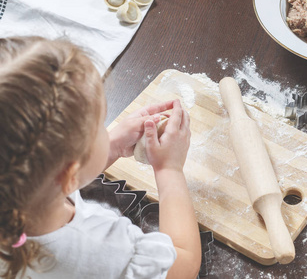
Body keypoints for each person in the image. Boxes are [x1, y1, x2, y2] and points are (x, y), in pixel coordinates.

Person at [0, 36, 201, 279]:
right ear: (70, 174)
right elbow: (185, 264)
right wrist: (169, 169)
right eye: (99, 126)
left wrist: (112, 146)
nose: (105, 131)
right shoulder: (104, 250)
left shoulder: (15, 192)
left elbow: (43, 176)